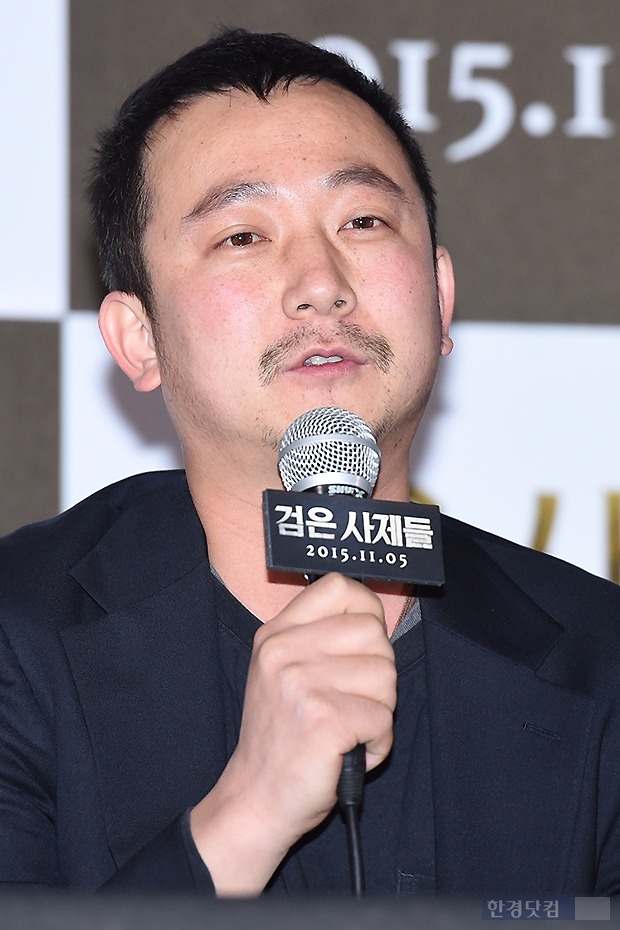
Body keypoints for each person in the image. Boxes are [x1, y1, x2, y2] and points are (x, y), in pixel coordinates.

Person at [1, 28, 620, 898]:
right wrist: (248, 813)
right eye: (243, 236)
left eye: (362, 221)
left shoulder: (600, 656)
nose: (321, 282)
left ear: (440, 295)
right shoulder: (19, 636)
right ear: (138, 339)